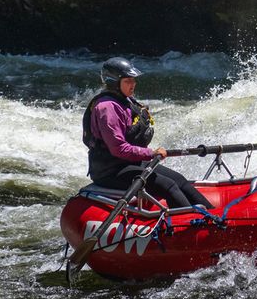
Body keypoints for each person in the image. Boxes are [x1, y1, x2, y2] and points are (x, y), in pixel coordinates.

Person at [83, 58, 213, 215]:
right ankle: (191, 224)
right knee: (168, 185)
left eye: (134, 80)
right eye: (128, 80)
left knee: (179, 180)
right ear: (114, 82)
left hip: (129, 163)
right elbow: (118, 149)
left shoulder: (125, 100)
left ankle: (215, 214)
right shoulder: (107, 108)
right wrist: (151, 153)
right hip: (110, 170)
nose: (133, 84)